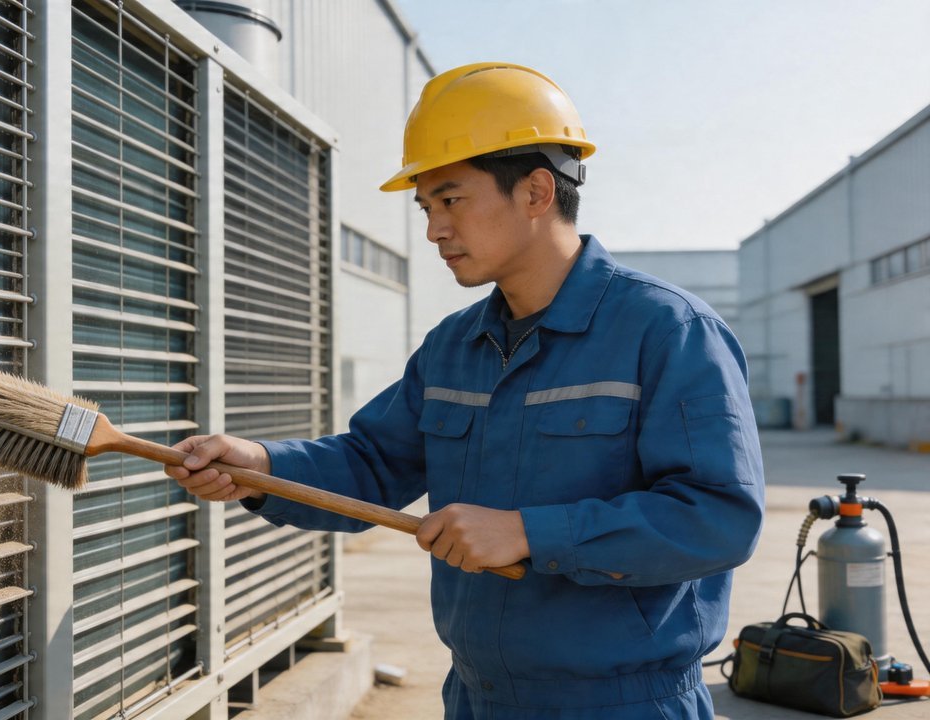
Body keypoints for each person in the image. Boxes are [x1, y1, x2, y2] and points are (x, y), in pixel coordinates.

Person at [165, 62, 765, 719]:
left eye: (451, 200)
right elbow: (373, 464)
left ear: (536, 191)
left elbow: (718, 519)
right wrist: (263, 467)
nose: (433, 230)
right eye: (425, 207)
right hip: (478, 698)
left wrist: (530, 533)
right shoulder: (454, 348)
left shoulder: (666, 331)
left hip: (622, 704)